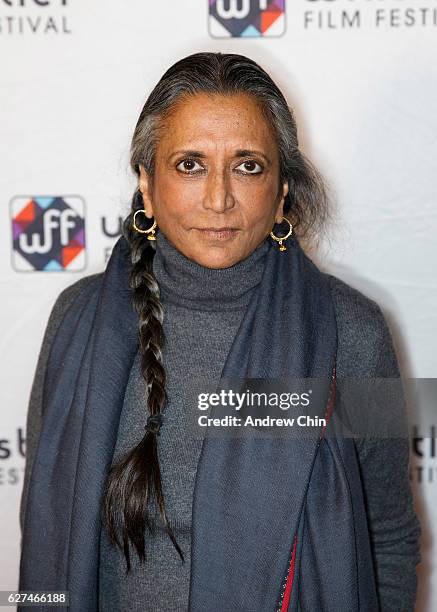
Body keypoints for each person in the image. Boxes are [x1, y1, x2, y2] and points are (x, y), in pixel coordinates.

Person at [18, 52, 421, 612]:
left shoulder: (353, 331)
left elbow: (388, 540)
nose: (218, 198)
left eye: (248, 165)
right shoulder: (75, 320)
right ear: (147, 181)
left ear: (283, 188)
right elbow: (42, 525)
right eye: (189, 164)